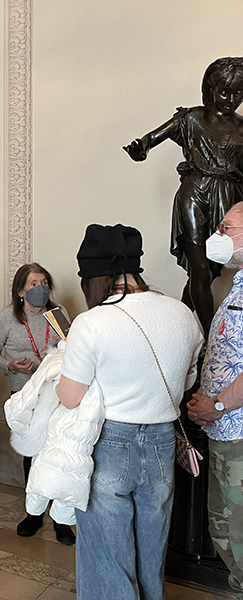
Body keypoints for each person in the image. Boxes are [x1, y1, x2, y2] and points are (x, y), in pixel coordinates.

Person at [56, 224, 203, 600]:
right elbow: (186, 382)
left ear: (93, 276)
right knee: (152, 548)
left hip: (110, 442)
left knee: (107, 555)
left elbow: (71, 397)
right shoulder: (183, 313)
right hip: (161, 442)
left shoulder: (91, 323)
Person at [124, 57, 243, 336]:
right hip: (194, 194)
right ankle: (211, 339)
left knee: (209, 271)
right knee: (200, 267)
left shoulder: (242, 127)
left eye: (238, 93)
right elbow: (149, 140)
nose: (230, 99)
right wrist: (140, 149)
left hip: (227, 197)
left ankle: (179, 329)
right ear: (210, 89)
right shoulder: (192, 118)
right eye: (224, 92)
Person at [0, 262, 73, 542]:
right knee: (31, 453)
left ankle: (60, 519)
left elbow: (73, 349)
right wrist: (11, 365)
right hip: (24, 394)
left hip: (58, 394)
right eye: (33, 284)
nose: (41, 288)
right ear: (21, 290)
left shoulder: (59, 314)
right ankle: (34, 513)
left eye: (44, 282)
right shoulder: (7, 317)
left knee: (59, 453)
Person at [188, 202, 243, 598]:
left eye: (226, 227)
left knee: (240, 532)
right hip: (222, 430)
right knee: (224, 528)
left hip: (237, 430)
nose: (218, 235)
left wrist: (218, 404)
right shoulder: (236, 283)